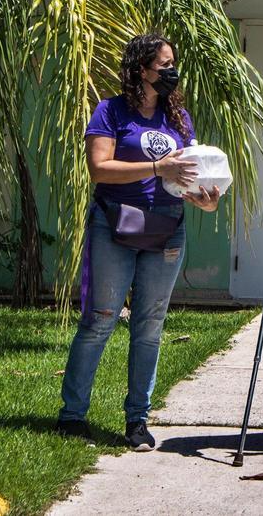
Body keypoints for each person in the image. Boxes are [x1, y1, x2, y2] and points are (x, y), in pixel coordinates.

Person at [56, 33, 221, 451]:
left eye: (172, 65)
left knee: (149, 327)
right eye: (163, 65)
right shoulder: (111, 111)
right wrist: (155, 165)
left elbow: (184, 177)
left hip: (167, 227)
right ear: (140, 69)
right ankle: (73, 416)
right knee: (101, 320)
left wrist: (204, 199)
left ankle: (137, 421)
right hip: (115, 225)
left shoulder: (179, 119)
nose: (171, 73)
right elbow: (99, 168)